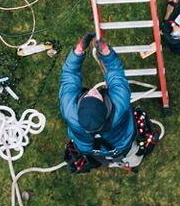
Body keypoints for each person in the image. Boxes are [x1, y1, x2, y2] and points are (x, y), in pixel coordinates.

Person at [58, 34, 158, 172]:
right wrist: (105, 52)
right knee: (134, 155)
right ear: (106, 108)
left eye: (88, 96)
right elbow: (115, 73)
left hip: (90, 149)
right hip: (123, 144)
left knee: (110, 155)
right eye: (96, 96)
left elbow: (69, 76)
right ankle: (131, 164)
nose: (93, 90)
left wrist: (78, 51)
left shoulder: (70, 111)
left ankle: (117, 162)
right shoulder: (120, 103)